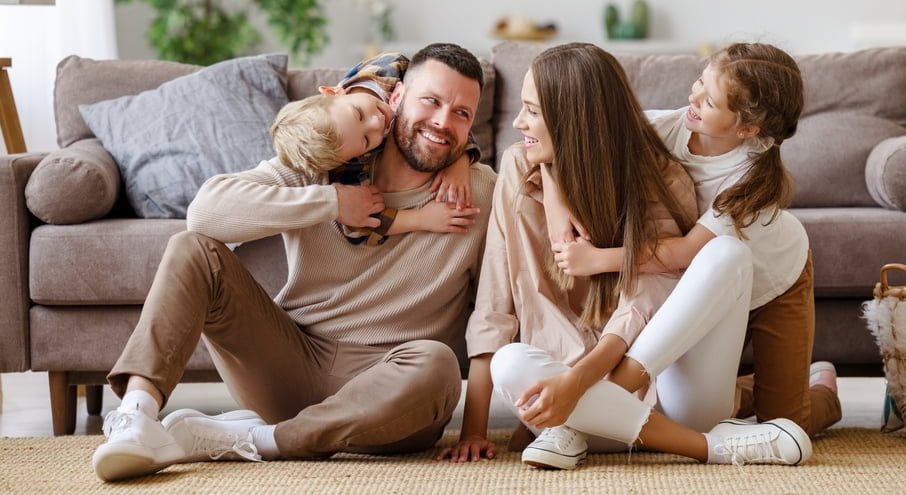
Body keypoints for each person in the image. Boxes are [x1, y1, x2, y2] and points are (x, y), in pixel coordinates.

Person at [92, 43, 496, 482]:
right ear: (396, 98)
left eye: (462, 113)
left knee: (437, 364)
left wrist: (475, 430)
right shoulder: (329, 155)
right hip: (292, 361)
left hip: (391, 391)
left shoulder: (480, 192)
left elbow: (494, 311)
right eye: (431, 101)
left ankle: (258, 440)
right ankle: (136, 418)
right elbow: (205, 214)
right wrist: (332, 202)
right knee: (192, 249)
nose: (443, 122)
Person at [438, 42, 811, 470]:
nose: (517, 122)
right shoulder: (530, 164)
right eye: (699, 84)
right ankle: (682, 435)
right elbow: (493, 304)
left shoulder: (685, 177)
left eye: (533, 111)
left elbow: (666, 274)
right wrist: (473, 431)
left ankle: (792, 406)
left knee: (788, 411)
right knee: (509, 363)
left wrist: (582, 381)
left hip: (701, 329)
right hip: (572, 390)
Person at [270, 52, 481, 244]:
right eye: (366, 140)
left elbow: (446, 102)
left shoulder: (389, 68)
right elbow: (359, 226)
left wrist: (460, 161)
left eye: (359, 114)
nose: (377, 123)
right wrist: (420, 219)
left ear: (333, 92)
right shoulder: (350, 161)